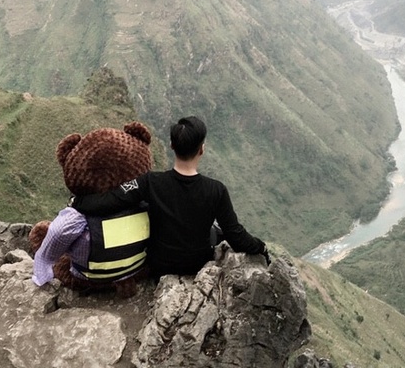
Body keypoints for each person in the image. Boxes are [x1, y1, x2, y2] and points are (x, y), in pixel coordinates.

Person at [71, 115, 269, 277]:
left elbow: (113, 199)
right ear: (202, 149)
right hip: (197, 264)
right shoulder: (216, 190)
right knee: (216, 231)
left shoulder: (150, 182)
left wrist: (78, 202)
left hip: (159, 265)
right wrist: (261, 247)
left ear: (172, 146)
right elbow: (236, 235)